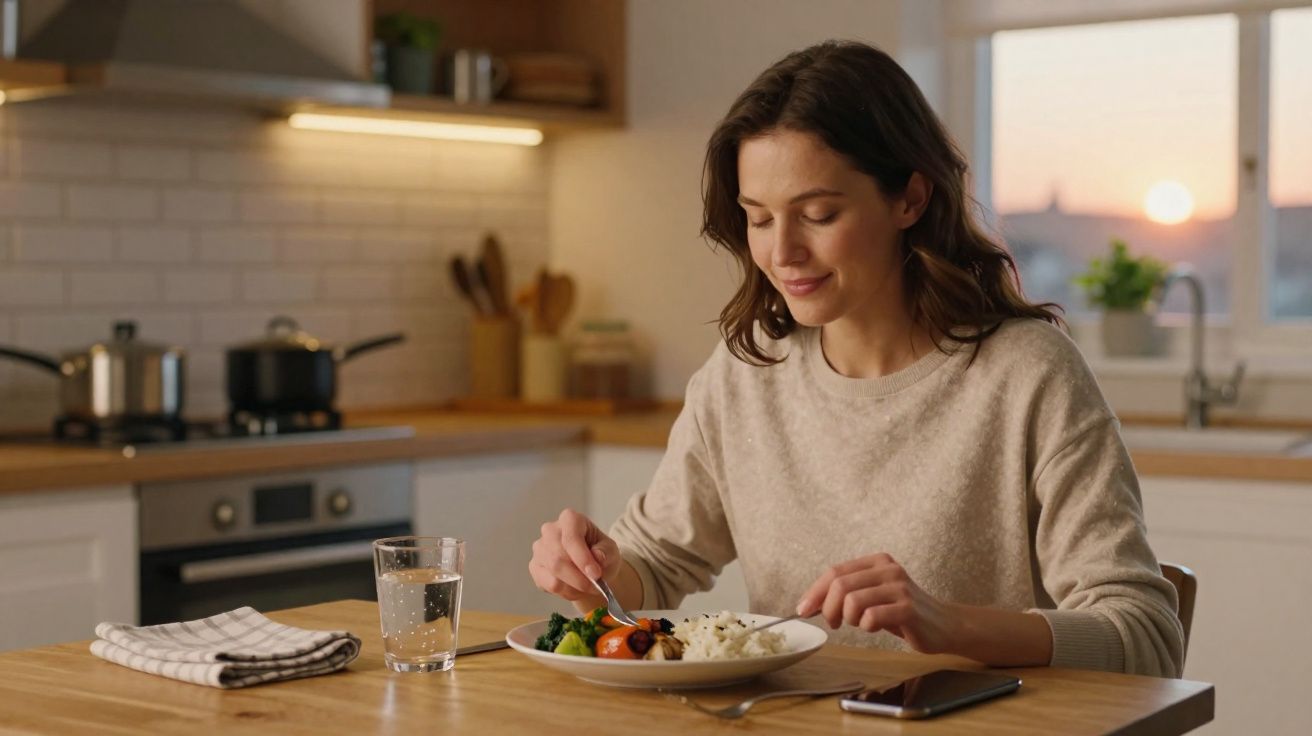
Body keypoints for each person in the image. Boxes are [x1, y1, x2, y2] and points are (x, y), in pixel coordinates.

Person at [528, 40, 1184, 678]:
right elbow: (656, 564)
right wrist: (601, 573)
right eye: (758, 218)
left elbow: (1146, 635)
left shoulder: (1029, 374)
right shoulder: (744, 376)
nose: (782, 253)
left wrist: (947, 625)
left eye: (817, 213)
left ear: (910, 199)